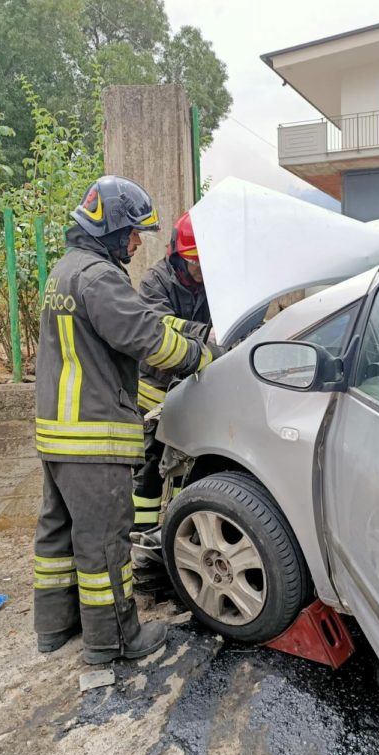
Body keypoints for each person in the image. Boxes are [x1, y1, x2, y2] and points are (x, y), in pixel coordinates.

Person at [33, 176, 217, 664]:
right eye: (133, 231)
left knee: (58, 533)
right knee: (104, 542)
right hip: (94, 433)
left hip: (58, 432)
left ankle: (54, 625)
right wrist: (200, 357)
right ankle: (113, 639)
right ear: (112, 228)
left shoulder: (65, 272)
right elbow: (146, 337)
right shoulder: (99, 278)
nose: (137, 242)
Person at [132, 210, 211, 531]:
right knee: (150, 465)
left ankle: (179, 530)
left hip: (195, 390)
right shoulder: (155, 281)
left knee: (190, 462)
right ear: (178, 257)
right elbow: (156, 325)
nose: (201, 272)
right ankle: (143, 534)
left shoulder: (211, 282)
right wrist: (206, 333)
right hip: (154, 390)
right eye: (195, 264)